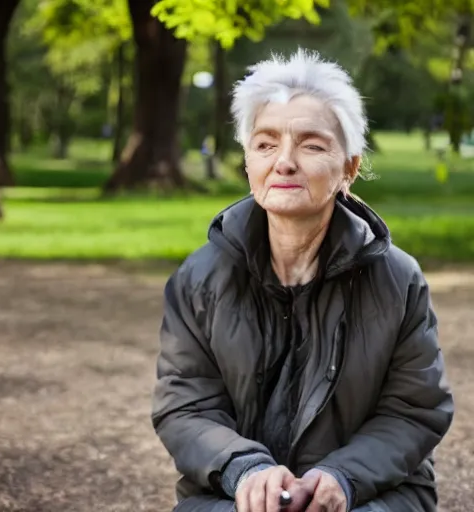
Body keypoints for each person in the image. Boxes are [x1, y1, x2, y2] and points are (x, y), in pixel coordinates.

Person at [151, 49, 454, 512]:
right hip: (232, 495)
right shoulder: (200, 278)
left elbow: (413, 409)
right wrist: (245, 472)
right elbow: (186, 407)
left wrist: (342, 477)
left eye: (311, 145)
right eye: (266, 144)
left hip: (371, 494)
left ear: (349, 169)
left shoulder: (398, 279)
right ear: (248, 162)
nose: (284, 162)